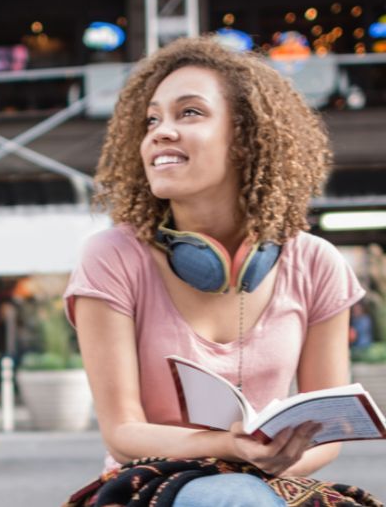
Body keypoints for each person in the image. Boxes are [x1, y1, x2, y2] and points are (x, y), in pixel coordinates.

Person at [63, 36, 372, 507]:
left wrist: (271, 457)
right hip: (146, 481)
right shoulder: (110, 257)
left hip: (268, 482)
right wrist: (226, 448)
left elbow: (328, 433)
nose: (160, 132)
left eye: (189, 113)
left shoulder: (316, 263)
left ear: (247, 139)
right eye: (152, 119)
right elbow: (123, 431)